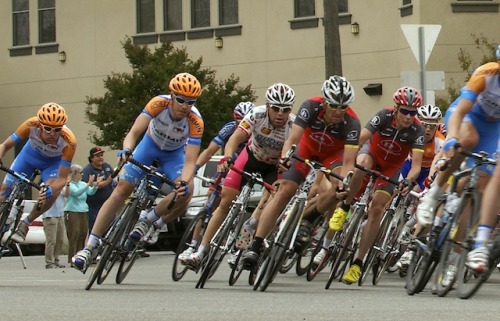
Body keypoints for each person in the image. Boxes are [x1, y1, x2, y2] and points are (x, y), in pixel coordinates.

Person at [72, 72, 204, 271]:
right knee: (121, 190)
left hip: (173, 155)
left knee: (187, 191)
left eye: (191, 102)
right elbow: (133, 133)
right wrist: (127, 150)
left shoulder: (195, 121)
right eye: (181, 100)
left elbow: (190, 162)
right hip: (149, 146)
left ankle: (148, 220)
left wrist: (183, 183)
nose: (185, 106)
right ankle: (89, 247)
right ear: (171, 96)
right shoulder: (158, 103)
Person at [241, 76, 361, 270]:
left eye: (344, 107)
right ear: (324, 101)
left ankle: (309, 219)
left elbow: (348, 162)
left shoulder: (352, 123)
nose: (338, 111)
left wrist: (344, 183)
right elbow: (293, 139)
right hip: (306, 148)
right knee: (284, 191)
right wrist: (286, 157)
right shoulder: (310, 107)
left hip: (332, 155)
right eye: (333, 105)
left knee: (337, 188)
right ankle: (255, 245)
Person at [181, 83, 296, 268]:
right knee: (225, 202)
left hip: (274, 166)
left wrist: (286, 162)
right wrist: (227, 157)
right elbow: (235, 139)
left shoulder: (293, 125)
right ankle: (201, 251)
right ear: (267, 106)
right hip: (251, 157)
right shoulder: (256, 114)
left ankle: (252, 228)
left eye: (286, 109)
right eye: (276, 108)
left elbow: (291, 152)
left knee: (272, 200)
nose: (280, 113)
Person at [417, 46, 500, 273]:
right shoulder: (487, 74)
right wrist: (452, 139)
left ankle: (480, 244)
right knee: (468, 140)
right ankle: (433, 196)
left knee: (488, 180)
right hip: (468, 115)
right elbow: (461, 111)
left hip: (494, 129)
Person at [330, 86, 425, 284]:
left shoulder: (417, 130)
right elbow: (361, 138)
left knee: (377, 210)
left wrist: (409, 180)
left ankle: (358, 262)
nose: (408, 116)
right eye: (405, 111)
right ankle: (345, 206)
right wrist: (346, 156)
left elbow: (416, 166)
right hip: (372, 154)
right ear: (396, 108)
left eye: (413, 112)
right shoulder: (383, 116)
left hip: (391, 167)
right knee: (362, 164)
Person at [176, 101, 255, 260]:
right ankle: (193, 244)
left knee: (241, 207)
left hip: (248, 168)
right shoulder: (229, 129)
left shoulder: (258, 131)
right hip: (229, 166)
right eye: (239, 123)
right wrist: (195, 168)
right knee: (209, 204)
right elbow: (209, 151)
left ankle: (237, 247)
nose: (243, 129)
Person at [0, 103, 76, 243]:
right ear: (40, 125)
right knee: (4, 190)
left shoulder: (69, 141)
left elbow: (62, 179)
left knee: (52, 194)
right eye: (47, 129)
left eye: (57, 130)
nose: (52, 134)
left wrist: (51, 189)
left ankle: (26, 223)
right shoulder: (30, 125)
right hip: (29, 157)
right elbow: (4, 146)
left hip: (52, 164)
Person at [65, 164, 98, 265]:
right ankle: (72, 258)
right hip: (72, 211)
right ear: (75, 174)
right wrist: (88, 184)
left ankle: (79, 257)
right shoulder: (70, 184)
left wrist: (95, 185)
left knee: (83, 234)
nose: (82, 174)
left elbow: (90, 192)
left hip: (83, 210)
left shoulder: (82, 183)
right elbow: (76, 193)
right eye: (80, 173)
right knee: (74, 234)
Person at [82, 147, 114, 233]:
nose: (101, 158)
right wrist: (108, 181)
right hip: (94, 207)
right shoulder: (87, 170)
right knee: (95, 229)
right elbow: (92, 185)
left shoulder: (107, 166)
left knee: (110, 229)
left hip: (108, 204)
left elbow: (114, 178)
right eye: (97, 156)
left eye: (101, 155)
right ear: (92, 158)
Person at [42, 190, 67, 269]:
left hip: (60, 214)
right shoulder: (45, 185)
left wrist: (67, 184)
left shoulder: (61, 185)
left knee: (60, 240)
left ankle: (56, 260)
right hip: (50, 215)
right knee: (51, 240)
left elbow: (66, 194)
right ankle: (49, 262)